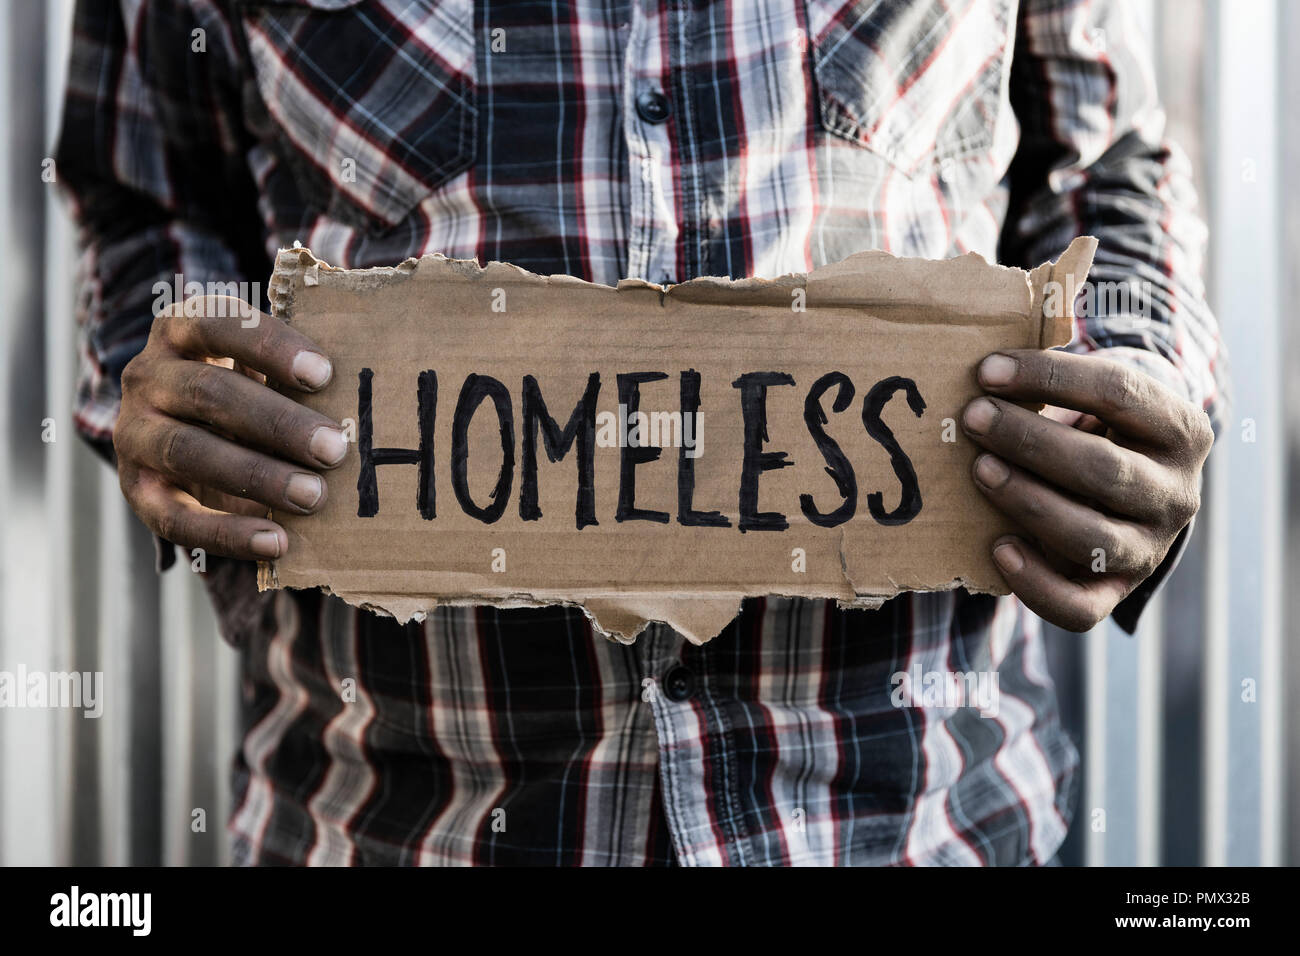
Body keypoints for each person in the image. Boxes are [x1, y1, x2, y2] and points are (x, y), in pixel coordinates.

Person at [56, 0, 1221, 866]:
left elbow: (1106, 168)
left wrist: (1136, 373)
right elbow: (142, 197)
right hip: (389, 820)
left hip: (914, 817)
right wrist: (168, 380)